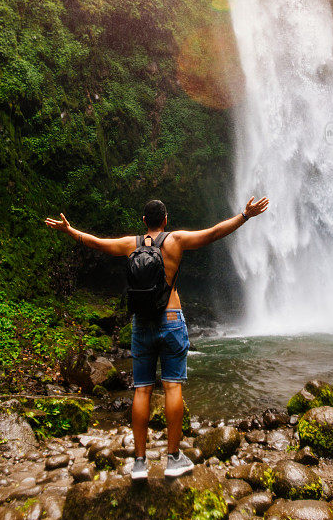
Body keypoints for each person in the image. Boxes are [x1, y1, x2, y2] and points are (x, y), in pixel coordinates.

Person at [45, 194, 269, 479]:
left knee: (142, 389)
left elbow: (96, 243)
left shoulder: (131, 244)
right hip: (172, 319)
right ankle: (173, 458)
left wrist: (70, 231)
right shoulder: (176, 240)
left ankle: (139, 462)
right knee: (173, 387)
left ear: (143, 221)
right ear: (165, 220)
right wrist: (245, 216)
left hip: (141, 323)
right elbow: (214, 233)